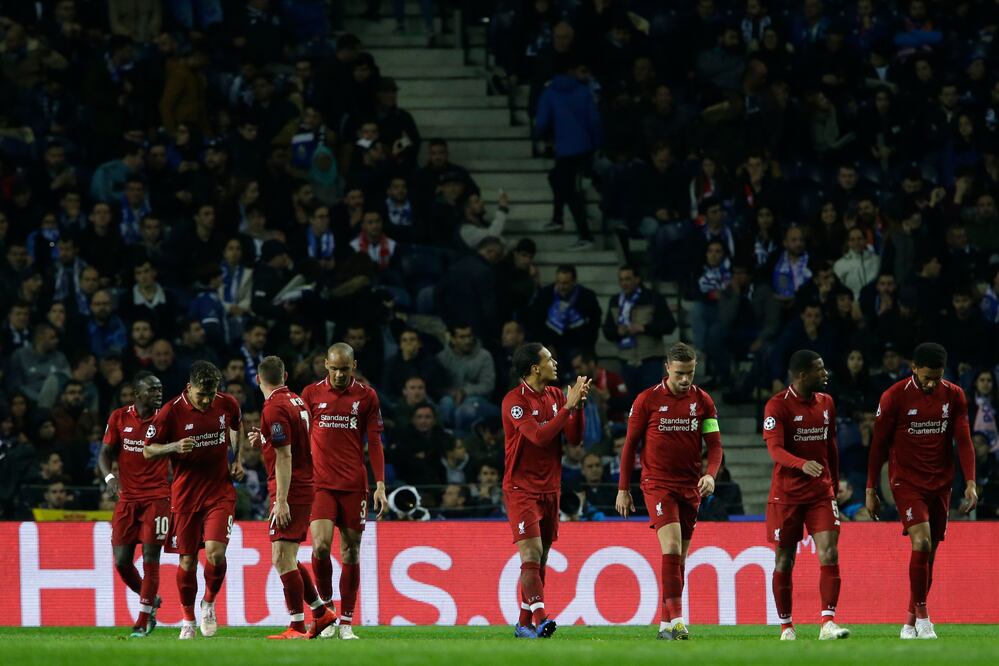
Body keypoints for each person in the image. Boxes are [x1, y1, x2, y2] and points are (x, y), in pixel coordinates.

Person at [866, 342, 977, 640]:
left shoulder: (954, 395)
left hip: (941, 482)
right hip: (906, 481)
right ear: (913, 368)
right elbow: (878, 445)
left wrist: (970, 482)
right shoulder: (894, 397)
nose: (931, 384)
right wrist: (870, 487)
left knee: (929, 554)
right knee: (922, 541)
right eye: (927, 377)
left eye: (937, 378)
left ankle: (909, 622)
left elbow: (963, 440)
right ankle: (925, 619)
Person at [616, 342, 723, 640]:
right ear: (667, 369)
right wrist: (623, 488)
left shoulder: (703, 401)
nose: (685, 379)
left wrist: (710, 475)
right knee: (672, 547)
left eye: (690, 373)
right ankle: (677, 620)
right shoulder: (646, 400)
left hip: (690, 487)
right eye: (679, 374)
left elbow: (715, 446)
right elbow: (629, 447)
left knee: (680, 559)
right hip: (657, 484)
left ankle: (665, 626)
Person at [143, 361, 244, 640]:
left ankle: (208, 604)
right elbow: (148, 450)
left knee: (216, 553)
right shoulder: (171, 411)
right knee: (187, 561)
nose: (207, 400)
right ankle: (187, 619)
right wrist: (174, 446)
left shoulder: (227, 403)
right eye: (201, 395)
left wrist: (237, 459)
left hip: (219, 492)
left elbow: (237, 426)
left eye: (211, 394)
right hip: (186, 496)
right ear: (189, 388)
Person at [301, 343, 388, 639]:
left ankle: (347, 621)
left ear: (354, 366)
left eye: (345, 369)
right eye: (335, 368)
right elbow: (299, 437)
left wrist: (380, 484)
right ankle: (327, 612)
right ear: (326, 364)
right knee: (320, 547)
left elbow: (374, 442)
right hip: (320, 484)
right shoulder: (311, 394)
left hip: (353, 485)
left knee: (351, 551)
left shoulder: (367, 396)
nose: (339, 374)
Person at [502, 343, 589, 639]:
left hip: (551, 487)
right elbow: (538, 437)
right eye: (549, 359)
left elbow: (574, 439)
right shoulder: (515, 401)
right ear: (535, 368)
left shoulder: (555, 395)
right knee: (532, 552)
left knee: (541, 559)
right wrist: (567, 408)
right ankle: (541, 619)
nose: (555, 363)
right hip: (521, 487)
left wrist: (578, 407)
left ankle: (523, 624)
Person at [762, 349, 850, 641]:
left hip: (820, 493)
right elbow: (775, 450)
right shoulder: (777, 406)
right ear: (802, 375)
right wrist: (801, 464)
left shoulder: (827, 402)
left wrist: (833, 482)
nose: (825, 374)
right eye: (819, 369)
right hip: (786, 495)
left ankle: (828, 622)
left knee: (830, 552)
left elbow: (830, 444)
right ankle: (786, 626)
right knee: (784, 560)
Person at [248, 356, 336, 640]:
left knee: (282, 558)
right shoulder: (296, 400)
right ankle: (321, 613)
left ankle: (297, 626)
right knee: (287, 558)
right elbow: (291, 443)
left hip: (291, 489)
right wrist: (264, 439)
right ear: (285, 376)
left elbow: (285, 456)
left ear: (258, 379)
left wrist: (282, 500)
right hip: (301, 484)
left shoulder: (274, 407)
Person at [97, 372, 167, 638]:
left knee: (150, 558)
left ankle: (143, 619)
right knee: (122, 561)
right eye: (152, 389)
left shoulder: (166, 419)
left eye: (159, 389)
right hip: (127, 499)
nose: (158, 393)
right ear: (137, 394)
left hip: (157, 498)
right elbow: (105, 453)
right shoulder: (119, 417)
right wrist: (110, 478)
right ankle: (150, 598)